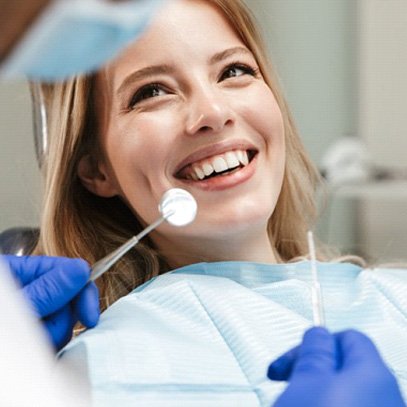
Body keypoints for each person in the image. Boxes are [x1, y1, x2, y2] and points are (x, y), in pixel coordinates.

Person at [31, 0, 407, 405]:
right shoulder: (84, 373)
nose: (213, 112)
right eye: (152, 92)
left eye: (234, 71)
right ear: (96, 171)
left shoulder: (395, 297)